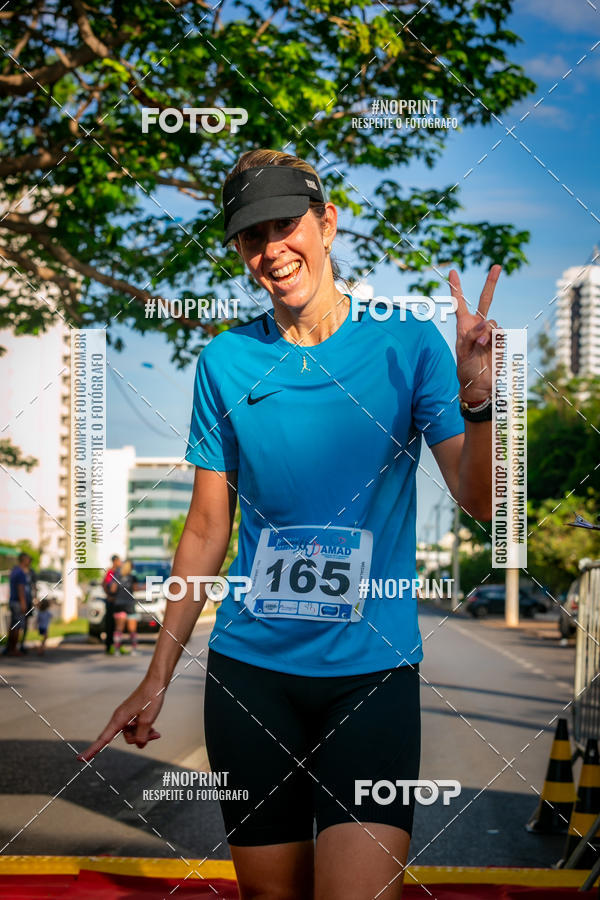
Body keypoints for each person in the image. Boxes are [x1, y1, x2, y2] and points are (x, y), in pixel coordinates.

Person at [80, 149, 499, 900]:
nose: (272, 249)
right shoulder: (226, 360)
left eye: (286, 224)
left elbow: (479, 501)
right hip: (251, 680)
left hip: (369, 679)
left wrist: (479, 400)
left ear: (328, 224)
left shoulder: (408, 346)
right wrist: (154, 677)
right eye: (251, 236)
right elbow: (207, 529)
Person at [5, 552, 33, 657]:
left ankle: (10, 648)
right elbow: (20, 588)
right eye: (28, 560)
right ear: (23, 560)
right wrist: (23, 603)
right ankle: (14, 649)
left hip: (13, 601)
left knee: (12, 626)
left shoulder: (14, 571)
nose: (29, 562)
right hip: (18, 602)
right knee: (17, 627)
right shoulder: (21, 573)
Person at [111, 559, 138, 655]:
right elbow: (135, 588)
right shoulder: (132, 577)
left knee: (119, 629)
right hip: (129, 604)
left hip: (119, 604)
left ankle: (117, 650)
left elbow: (112, 589)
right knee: (132, 629)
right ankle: (134, 650)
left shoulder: (117, 576)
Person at [102, 555, 120, 655]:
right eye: (118, 561)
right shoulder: (111, 572)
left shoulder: (119, 571)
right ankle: (109, 646)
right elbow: (105, 584)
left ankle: (116, 645)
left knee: (118, 625)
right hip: (111, 602)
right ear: (114, 561)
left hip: (118, 601)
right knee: (110, 624)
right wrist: (109, 595)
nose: (120, 562)